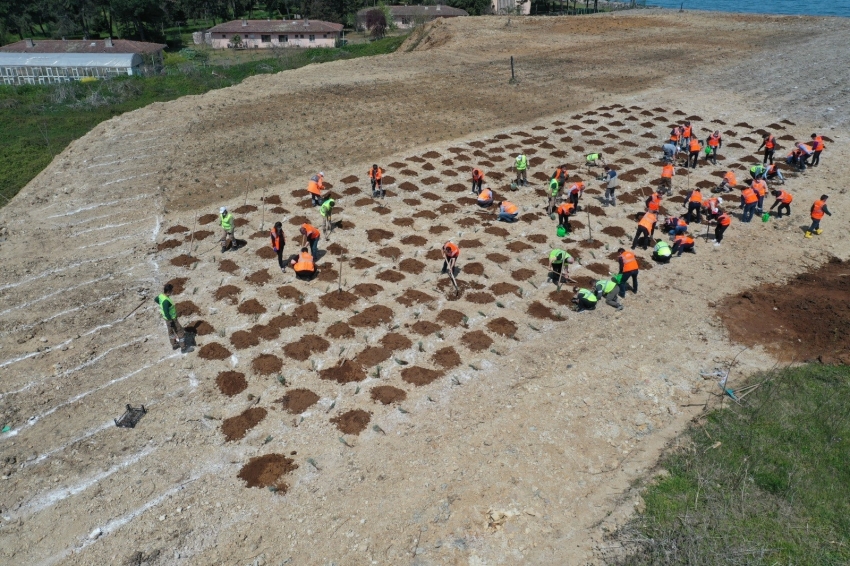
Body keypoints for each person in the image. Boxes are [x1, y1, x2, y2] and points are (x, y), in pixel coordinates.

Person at [155, 284, 186, 352]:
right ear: (168, 291)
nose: (172, 292)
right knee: (180, 331)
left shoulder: (161, 296)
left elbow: (156, 299)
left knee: (171, 332)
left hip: (166, 319)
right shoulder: (166, 301)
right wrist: (171, 321)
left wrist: (161, 305)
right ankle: (183, 347)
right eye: (171, 291)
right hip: (171, 319)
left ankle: (174, 345)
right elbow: (166, 312)